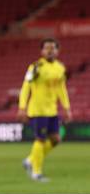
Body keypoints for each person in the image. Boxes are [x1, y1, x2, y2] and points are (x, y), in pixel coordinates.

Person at [18, 38, 71, 182]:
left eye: (53, 48)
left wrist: (66, 108)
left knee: (55, 139)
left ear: (57, 51)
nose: (50, 50)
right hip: (38, 110)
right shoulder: (36, 67)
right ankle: (36, 172)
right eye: (47, 48)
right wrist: (22, 107)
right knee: (40, 140)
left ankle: (30, 160)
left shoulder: (60, 68)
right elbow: (26, 87)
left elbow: (61, 89)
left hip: (52, 110)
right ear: (42, 51)